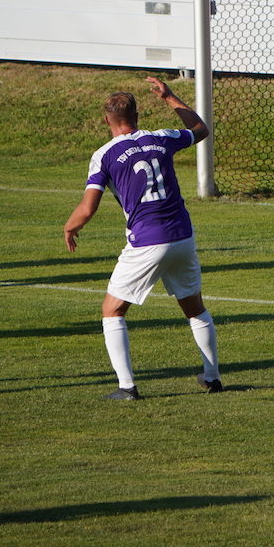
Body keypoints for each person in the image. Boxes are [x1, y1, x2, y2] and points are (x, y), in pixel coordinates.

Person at [63, 78, 222, 401]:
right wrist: (170, 97)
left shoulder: (104, 155)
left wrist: (70, 227)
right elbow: (200, 129)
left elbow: (88, 206)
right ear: (137, 116)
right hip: (182, 235)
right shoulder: (160, 138)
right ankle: (213, 378)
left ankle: (126, 387)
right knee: (195, 309)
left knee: (112, 310)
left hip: (146, 241)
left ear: (106, 120)